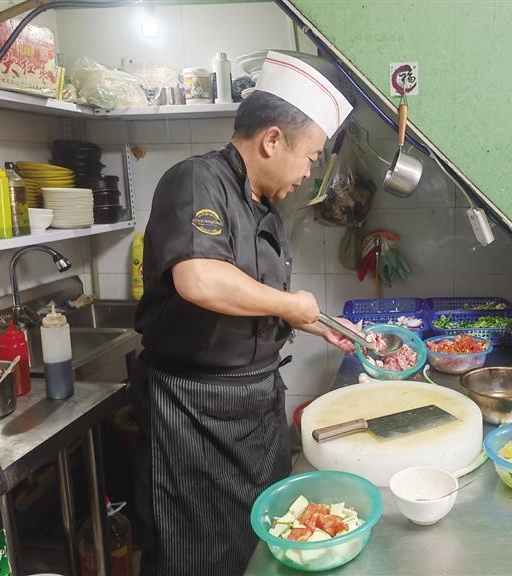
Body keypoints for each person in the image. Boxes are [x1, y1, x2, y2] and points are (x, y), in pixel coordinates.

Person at [131, 51, 355, 576]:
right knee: (196, 556)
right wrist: (290, 304)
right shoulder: (195, 180)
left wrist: (320, 324)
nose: (309, 172)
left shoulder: (263, 206)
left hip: (255, 409)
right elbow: (199, 278)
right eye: (310, 156)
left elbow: (252, 298)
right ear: (272, 140)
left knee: (261, 546)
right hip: (192, 412)